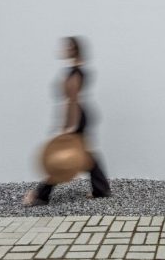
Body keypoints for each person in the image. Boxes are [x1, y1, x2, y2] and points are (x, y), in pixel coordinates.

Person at [23, 36, 111, 205]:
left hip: (77, 117)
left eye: (67, 47)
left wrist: (70, 126)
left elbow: (73, 101)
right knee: (87, 154)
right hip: (80, 116)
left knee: (60, 156)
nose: (63, 50)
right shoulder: (76, 70)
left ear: (73, 50)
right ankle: (101, 189)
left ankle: (41, 195)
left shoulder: (75, 73)